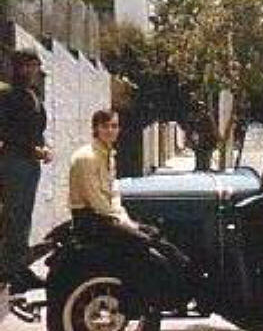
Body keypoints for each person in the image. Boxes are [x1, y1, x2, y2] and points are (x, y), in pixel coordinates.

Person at [69, 109, 190, 279]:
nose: (110, 130)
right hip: (90, 220)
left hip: (107, 217)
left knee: (153, 232)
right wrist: (122, 222)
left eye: (114, 126)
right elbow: (95, 199)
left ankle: (186, 271)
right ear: (96, 128)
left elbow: (113, 193)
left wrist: (124, 218)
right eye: (105, 126)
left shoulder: (108, 155)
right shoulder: (86, 158)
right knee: (143, 241)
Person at [0, 48, 53, 294]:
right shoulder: (8, 96)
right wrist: (32, 148)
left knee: (24, 216)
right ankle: (11, 271)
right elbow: (6, 132)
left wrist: (44, 147)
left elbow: (36, 130)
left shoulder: (33, 95)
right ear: (17, 68)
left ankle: (19, 267)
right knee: (15, 217)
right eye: (27, 65)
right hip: (15, 162)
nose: (32, 70)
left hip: (30, 163)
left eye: (35, 65)